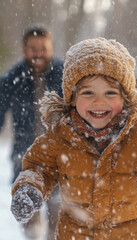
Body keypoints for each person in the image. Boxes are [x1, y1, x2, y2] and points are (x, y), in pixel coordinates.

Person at [10, 37, 137, 240]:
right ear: (72, 98)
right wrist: (30, 187)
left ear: (125, 98)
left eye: (110, 92)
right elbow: (38, 167)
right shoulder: (61, 135)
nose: (99, 101)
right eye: (88, 92)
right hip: (76, 234)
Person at [0, 25, 64, 239]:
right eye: (32, 48)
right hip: (24, 158)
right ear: (23, 49)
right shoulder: (12, 79)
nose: (38, 53)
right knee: (29, 218)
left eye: (43, 48)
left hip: (59, 159)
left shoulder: (65, 75)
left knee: (57, 220)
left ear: (51, 48)